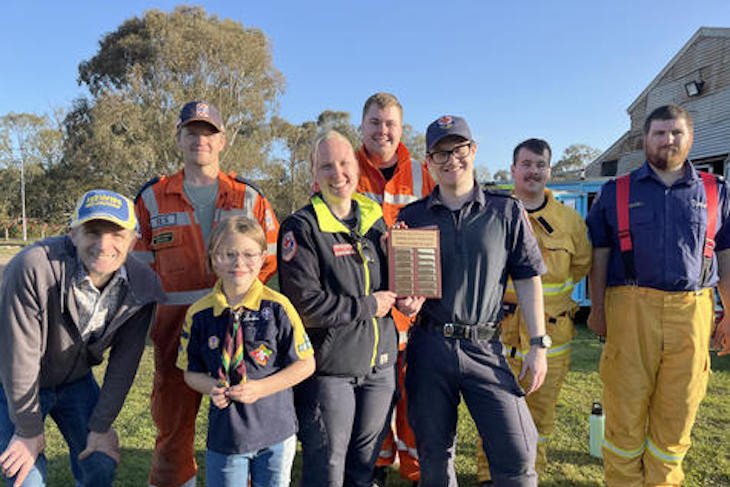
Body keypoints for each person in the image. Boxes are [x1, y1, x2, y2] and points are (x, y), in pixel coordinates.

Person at [134, 100, 280, 487]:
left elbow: (270, 257)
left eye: (208, 133)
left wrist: (237, 295)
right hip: (174, 337)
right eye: (192, 132)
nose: (200, 140)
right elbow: (137, 268)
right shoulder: (151, 199)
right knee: (172, 429)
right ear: (179, 138)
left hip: (239, 334)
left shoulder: (249, 197)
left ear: (222, 141)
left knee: (240, 426)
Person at [396, 115, 548, 487]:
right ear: (428, 161)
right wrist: (405, 304)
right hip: (430, 347)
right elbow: (403, 290)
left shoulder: (505, 211)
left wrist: (538, 343)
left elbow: (528, 278)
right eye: (440, 153)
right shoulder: (411, 217)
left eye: (459, 149)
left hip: (485, 347)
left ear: (473, 150)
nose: (451, 159)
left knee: (517, 454)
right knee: (433, 456)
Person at [586, 104, 730, 486]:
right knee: (625, 409)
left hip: (693, 312)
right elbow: (599, 256)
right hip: (631, 309)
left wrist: (729, 312)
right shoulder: (615, 192)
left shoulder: (716, 191)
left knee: (679, 411)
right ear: (644, 140)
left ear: (690, 137)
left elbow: (725, 255)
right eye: (660, 133)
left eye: (676, 132)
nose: (668, 140)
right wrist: (597, 310)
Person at [0, 190, 163, 486]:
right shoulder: (32, 267)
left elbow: (123, 364)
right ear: (73, 234)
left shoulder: (143, 285)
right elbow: (18, 357)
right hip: (11, 382)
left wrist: (101, 426)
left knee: (99, 463)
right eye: (92, 231)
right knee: (26, 478)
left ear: (134, 239)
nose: (104, 245)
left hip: (75, 381)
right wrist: (27, 431)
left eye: (117, 234)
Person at [277, 130, 398, 487]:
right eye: (326, 165)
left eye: (344, 163)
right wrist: (367, 305)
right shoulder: (301, 228)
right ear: (314, 173)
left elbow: (390, 285)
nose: (337, 172)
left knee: (363, 466)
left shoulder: (376, 221)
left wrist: (407, 294)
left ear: (357, 168)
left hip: (380, 369)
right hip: (330, 371)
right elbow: (306, 306)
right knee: (327, 466)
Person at [475, 138, 592, 484]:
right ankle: (487, 477)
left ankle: (529, 476)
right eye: (526, 164)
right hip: (497, 340)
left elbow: (580, 267)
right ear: (513, 170)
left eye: (540, 165)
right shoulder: (491, 214)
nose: (533, 171)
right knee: (493, 418)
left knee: (538, 423)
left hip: (550, 344)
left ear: (549, 171)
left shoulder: (570, 222)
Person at [177, 216, 314, 487]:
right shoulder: (199, 314)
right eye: (228, 254)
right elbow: (190, 373)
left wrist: (261, 388)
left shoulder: (278, 307)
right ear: (214, 258)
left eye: (249, 254)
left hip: (276, 432)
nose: (239, 263)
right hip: (227, 436)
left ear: (263, 257)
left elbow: (306, 364)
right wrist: (212, 386)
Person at [355, 92, 435, 486]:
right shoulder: (343, 169)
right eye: (375, 122)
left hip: (417, 309)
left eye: (390, 124)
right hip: (367, 309)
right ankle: (375, 469)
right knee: (373, 401)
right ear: (362, 124)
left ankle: (420, 471)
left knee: (416, 400)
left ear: (401, 129)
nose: (382, 131)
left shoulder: (424, 173)